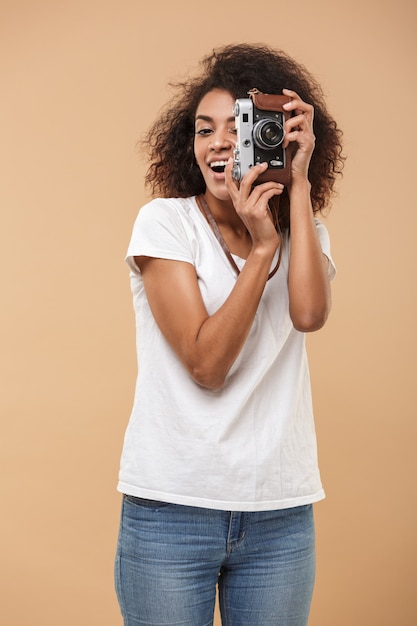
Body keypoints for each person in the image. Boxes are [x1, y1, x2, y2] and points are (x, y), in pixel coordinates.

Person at [114, 42, 344, 626]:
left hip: (279, 513)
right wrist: (263, 246)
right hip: (172, 509)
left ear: (274, 135)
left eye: (239, 125)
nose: (218, 141)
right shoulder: (166, 223)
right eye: (203, 129)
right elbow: (205, 364)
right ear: (187, 144)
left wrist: (296, 186)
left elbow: (310, 316)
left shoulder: (303, 232)